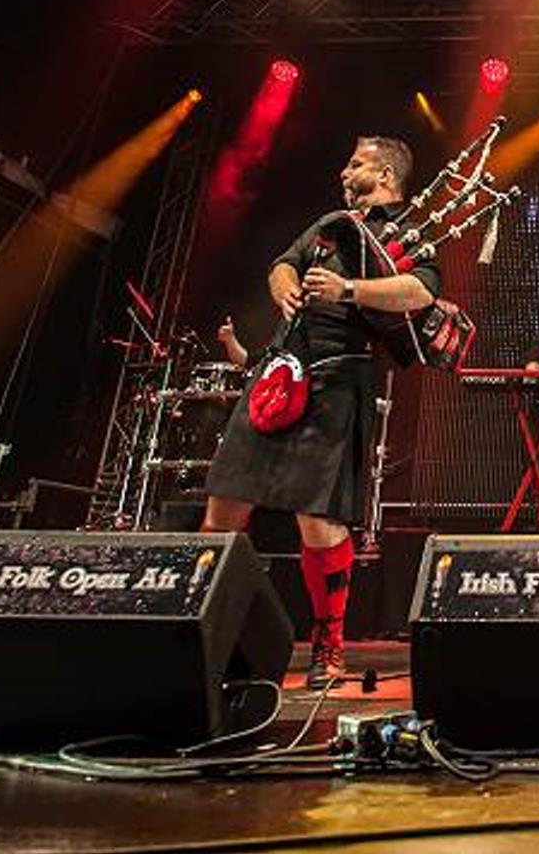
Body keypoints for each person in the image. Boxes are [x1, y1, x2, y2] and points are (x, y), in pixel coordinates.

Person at [202, 137, 439, 689]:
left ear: (385, 174)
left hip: (337, 380)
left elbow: (420, 292)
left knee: (318, 517)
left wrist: (347, 289)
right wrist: (285, 289)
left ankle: (327, 644)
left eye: (355, 163)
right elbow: (282, 265)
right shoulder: (329, 225)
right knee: (223, 507)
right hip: (279, 371)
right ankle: (206, 626)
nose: (344, 171)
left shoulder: (407, 232)